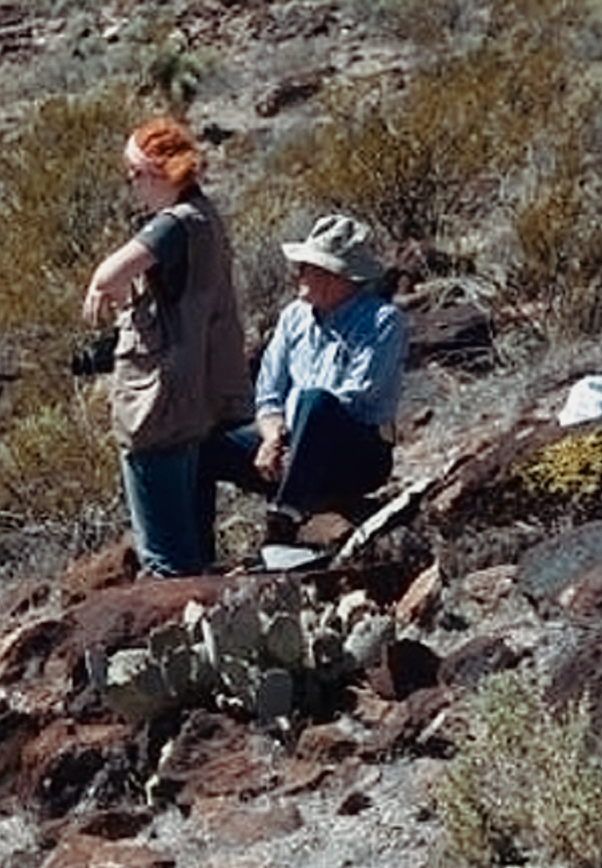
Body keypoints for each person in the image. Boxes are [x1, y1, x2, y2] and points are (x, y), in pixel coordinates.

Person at [82, 116, 251, 577]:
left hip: (159, 407)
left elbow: (108, 274)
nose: (132, 185)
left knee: (166, 560)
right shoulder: (205, 217)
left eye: (134, 174)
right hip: (195, 401)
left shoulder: (174, 225)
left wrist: (103, 287)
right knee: (193, 549)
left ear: (158, 172)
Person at [199, 214, 407, 552]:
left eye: (307, 267)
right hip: (289, 444)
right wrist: (271, 438)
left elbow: (354, 399)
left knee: (317, 401)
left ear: (334, 275)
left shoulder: (383, 322)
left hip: (355, 452)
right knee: (204, 449)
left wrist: (297, 441)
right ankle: (197, 556)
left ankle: (284, 518)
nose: (297, 274)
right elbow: (268, 392)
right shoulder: (293, 317)